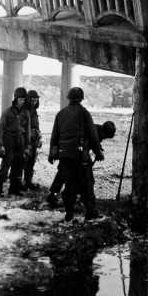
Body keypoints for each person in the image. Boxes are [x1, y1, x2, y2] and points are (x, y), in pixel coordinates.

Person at [48, 87, 104, 221]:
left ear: (69, 98)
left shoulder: (60, 114)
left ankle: (69, 213)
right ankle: (91, 212)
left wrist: (52, 154)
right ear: (80, 99)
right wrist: (98, 151)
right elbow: (93, 134)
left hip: (64, 155)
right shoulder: (84, 113)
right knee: (86, 183)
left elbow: (54, 136)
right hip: (80, 155)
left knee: (69, 184)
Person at [47, 120, 116, 207]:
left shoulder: (97, 129)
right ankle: (74, 199)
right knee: (80, 174)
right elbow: (89, 144)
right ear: (103, 132)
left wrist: (99, 150)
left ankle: (55, 194)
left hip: (73, 148)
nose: (104, 138)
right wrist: (98, 152)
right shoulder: (93, 131)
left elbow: (95, 143)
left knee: (64, 171)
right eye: (104, 136)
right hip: (73, 148)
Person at [0, 87, 31, 197]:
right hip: (9, 140)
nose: (23, 101)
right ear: (15, 99)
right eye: (21, 99)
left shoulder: (26, 113)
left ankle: (14, 188)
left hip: (21, 140)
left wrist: (27, 146)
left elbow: (28, 131)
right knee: (6, 164)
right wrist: (0, 144)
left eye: (24, 99)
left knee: (18, 165)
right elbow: (1, 128)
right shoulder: (7, 112)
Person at [23, 90, 42, 191]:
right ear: (28, 100)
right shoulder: (24, 110)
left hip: (34, 139)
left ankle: (28, 182)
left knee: (31, 162)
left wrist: (38, 137)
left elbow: (36, 125)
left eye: (36, 100)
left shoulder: (34, 110)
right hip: (26, 140)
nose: (34, 102)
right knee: (23, 162)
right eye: (32, 100)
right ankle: (19, 184)